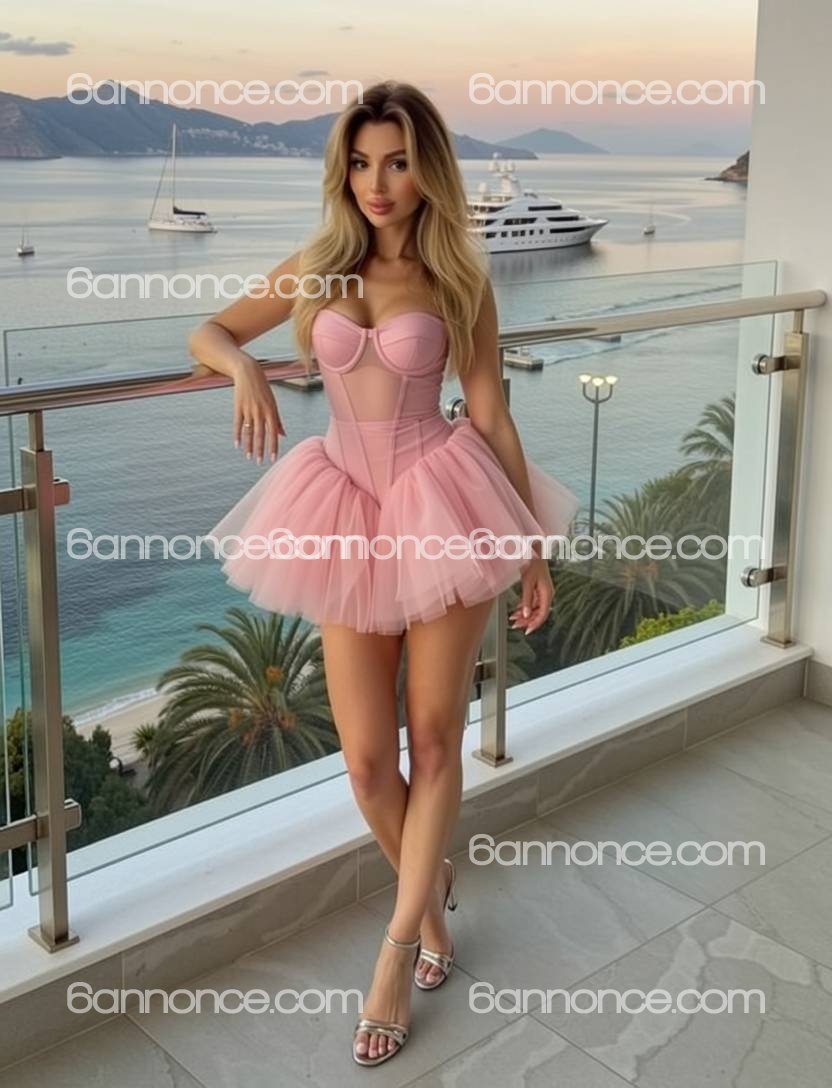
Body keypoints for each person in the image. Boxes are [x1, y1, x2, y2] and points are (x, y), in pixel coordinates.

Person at [188, 79, 578, 1068]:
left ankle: (398, 951)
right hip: (341, 510)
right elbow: (210, 331)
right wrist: (244, 370)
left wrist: (530, 541)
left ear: (426, 169)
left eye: (397, 161)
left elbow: (488, 414)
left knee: (433, 738)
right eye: (361, 162)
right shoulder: (318, 265)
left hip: (442, 498)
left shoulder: (457, 281)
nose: (377, 181)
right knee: (367, 762)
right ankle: (433, 903)